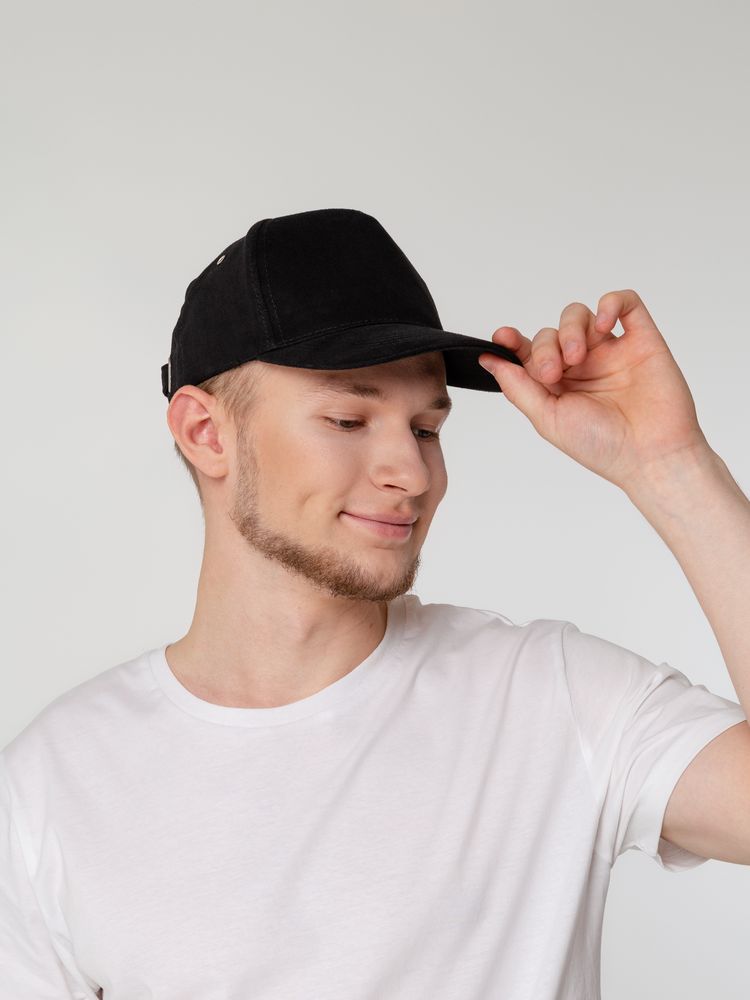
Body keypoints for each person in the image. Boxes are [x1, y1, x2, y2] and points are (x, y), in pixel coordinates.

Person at [2, 207, 748, 999]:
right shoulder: (57, 781)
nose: (412, 474)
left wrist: (671, 466)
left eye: (426, 428)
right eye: (348, 419)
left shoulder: (548, 698)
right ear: (206, 433)